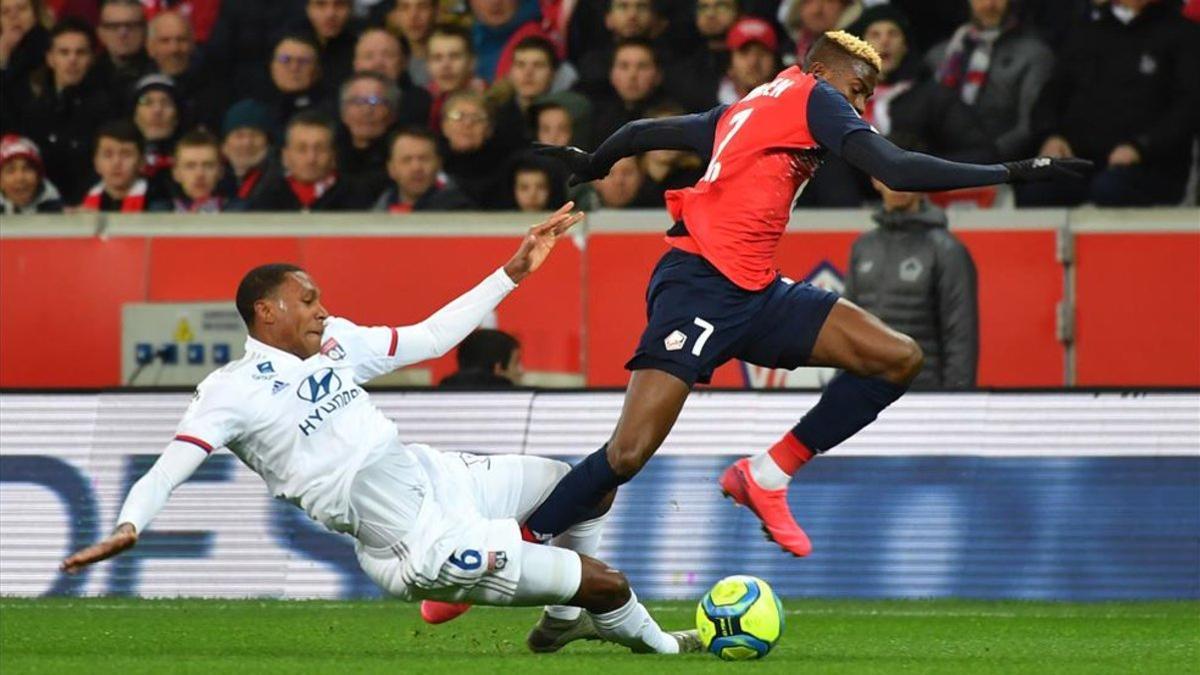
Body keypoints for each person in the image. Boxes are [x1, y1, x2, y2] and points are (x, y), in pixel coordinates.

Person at [530, 30, 1089, 558]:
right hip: (699, 286)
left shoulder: (743, 109)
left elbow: (639, 133)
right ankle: (512, 547)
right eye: (857, 89)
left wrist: (593, 161)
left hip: (755, 290)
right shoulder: (812, 98)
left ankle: (767, 474)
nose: (860, 107)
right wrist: (1014, 171)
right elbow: (897, 170)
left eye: (868, 96)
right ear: (820, 72)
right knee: (626, 454)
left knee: (897, 357)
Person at [59, 204, 700, 656]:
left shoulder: (337, 342)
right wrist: (130, 524)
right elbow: (170, 465)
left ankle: (563, 620)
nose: (323, 309)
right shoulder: (229, 392)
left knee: (584, 487)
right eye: (308, 301)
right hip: (418, 544)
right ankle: (667, 648)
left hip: (441, 478)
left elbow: (430, 336)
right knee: (608, 584)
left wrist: (515, 270)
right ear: (267, 311)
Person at [1021, 0, 1200, 207]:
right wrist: (1050, 136)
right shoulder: (1087, 32)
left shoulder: (1184, 34)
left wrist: (1140, 147)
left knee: (1109, 189)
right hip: (1079, 159)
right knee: (1037, 189)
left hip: (1149, 165)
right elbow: (1051, 95)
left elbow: (1188, 109)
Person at [845, 179, 977, 389]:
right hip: (864, 394)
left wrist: (956, 403)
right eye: (889, 175)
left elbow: (960, 338)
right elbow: (847, 329)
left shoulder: (948, 250)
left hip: (923, 396)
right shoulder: (862, 247)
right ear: (875, 180)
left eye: (907, 175)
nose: (899, 185)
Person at [926, 0, 1055, 162]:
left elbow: (1028, 126)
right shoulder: (939, 55)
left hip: (1001, 165)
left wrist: (984, 158)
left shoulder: (1035, 54)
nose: (989, 5)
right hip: (938, 161)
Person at [16, 17, 113, 204]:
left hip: (92, 208)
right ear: (50, 59)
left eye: (80, 53)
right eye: (64, 52)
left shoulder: (108, 109)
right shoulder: (32, 111)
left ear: (92, 58)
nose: (72, 60)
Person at [248, 111, 366, 212]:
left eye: (320, 149)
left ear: (333, 155)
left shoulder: (356, 197)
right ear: (286, 157)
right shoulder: (266, 198)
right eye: (301, 149)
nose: (311, 158)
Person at [374, 125, 475, 211]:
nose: (416, 168)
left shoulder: (461, 212)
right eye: (406, 160)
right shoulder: (379, 210)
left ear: (439, 165)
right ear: (391, 169)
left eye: (424, 159)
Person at [336, 71, 402, 199]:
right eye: (357, 101)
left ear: (393, 113)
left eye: (376, 101)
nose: (367, 111)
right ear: (343, 112)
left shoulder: (403, 158)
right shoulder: (329, 152)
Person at [351, 27, 433, 127]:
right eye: (369, 56)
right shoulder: (342, 101)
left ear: (403, 63)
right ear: (356, 65)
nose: (378, 63)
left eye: (388, 55)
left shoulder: (421, 102)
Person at [80, 118, 152, 212]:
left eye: (126, 154)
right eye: (108, 155)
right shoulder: (83, 201)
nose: (116, 162)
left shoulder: (158, 202)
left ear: (142, 162)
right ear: (96, 163)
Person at [425, 23, 486, 131]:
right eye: (437, 58)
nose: (445, 66)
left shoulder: (490, 102)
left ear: (472, 62)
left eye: (455, 56)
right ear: (428, 65)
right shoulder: (423, 102)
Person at [151, 128, 228, 212]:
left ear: (220, 171)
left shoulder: (239, 211)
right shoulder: (159, 214)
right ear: (176, 173)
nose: (200, 174)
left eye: (208, 165)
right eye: (190, 166)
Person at [217, 99, 275, 208]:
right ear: (225, 144)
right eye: (239, 135)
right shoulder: (215, 178)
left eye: (255, 135)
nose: (247, 143)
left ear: (267, 141)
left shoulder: (275, 184)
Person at [95, 0, 152, 104]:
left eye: (131, 25)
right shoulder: (87, 76)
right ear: (100, 33)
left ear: (145, 30)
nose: (123, 33)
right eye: (114, 26)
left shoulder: (160, 73)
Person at [0, 133, 64, 213]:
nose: (20, 177)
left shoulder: (59, 214)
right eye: (10, 170)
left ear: (38, 177)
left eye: (27, 169)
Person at [438, 328, 523, 387]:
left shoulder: (435, 399)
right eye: (516, 363)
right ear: (498, 368)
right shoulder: (514, 408)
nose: (521, 372)